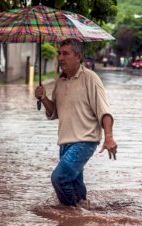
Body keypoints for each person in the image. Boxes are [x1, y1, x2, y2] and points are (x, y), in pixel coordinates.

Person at [34, 38, 117, 207]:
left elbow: (104, 111)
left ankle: (70, 216)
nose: (61, 58)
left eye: (66, 54)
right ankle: (84, 214)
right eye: (60, 54)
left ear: (78, 56)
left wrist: (109, 137)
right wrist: (43, 98)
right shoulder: (59, 81)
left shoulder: (90, 78)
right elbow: (54, 113)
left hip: (85, 141)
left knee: (59, 178)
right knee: (75, 188)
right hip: (65, 144)